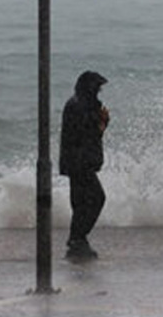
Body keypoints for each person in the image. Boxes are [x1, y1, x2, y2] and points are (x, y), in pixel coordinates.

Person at [59, 70, 110, 260]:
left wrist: (101, 122)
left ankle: (77, 240)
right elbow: (88, 134)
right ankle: (77, 238)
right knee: (96, 199)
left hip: (77, 163)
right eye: (97, 88)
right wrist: (102, 122)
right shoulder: (80, 106)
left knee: (81, 204)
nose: (99, 93)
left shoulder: (78, 104)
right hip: (80, 163)